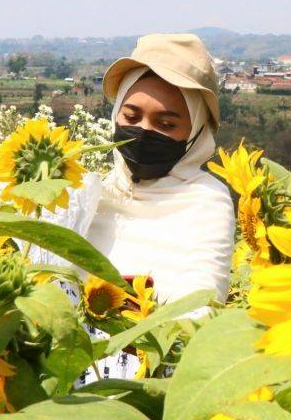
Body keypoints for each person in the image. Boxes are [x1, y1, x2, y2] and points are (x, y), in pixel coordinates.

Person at [40, 33, 236, 305]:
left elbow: (200, 307)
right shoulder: (90, 195)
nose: (143, 131)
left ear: (196, 132)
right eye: (131, 117)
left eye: (165, 125)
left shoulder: (205, 203)